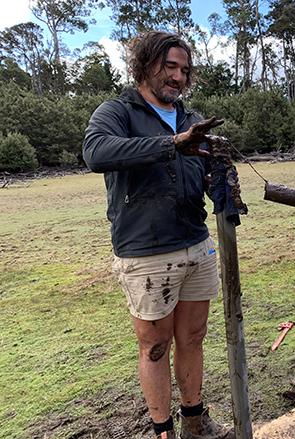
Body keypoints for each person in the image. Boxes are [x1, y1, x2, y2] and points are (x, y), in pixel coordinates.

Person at [83, 31, 240, 439]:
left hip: (196, 242)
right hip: (146, 251)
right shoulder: (117, 112)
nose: (177, 77)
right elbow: (97, 153)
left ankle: (194, 421)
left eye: (184, 70)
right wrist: (172, 143)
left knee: (193, 337)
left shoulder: (191, 118)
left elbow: (200, 174)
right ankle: (162, 431)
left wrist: (221, 179)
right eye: (169, 67)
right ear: (145, 65)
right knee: (155, 346)